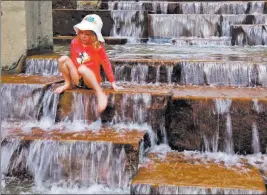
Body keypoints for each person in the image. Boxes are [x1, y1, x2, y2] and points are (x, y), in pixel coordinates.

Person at [54, 14, 117, 113]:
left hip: (91, 80)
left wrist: (112, 81)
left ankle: (100, 93)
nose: (83, 36)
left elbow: (106, 63)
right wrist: (73, 72)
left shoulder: (98, 47)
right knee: (63, 59)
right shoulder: (74, 42)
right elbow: (74, 59)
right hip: (78, 79)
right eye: (81, 32)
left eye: (87, 34)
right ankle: (67, 84)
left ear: (94, 35)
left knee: (82, 68)